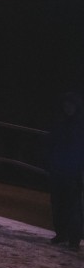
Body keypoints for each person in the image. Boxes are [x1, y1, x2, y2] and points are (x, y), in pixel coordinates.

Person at [47, 91, 84, 251]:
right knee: (58, 204)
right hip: (59, 170)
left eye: (71, 105)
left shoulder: (79, 125)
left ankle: (74, 239)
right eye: (66, 105)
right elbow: (51, 143)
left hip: (73, 172)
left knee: (73, 206)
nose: (68, 108)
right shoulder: (60, 123)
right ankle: (61, 233)